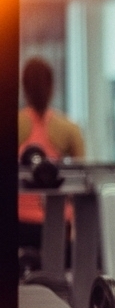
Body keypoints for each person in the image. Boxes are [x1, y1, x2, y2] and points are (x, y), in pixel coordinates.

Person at [18, 57, 85, 249]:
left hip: (22, 221)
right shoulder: (68, 128)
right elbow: (81, 184)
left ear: (24, 87)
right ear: (52, 85)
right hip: (55, 221)